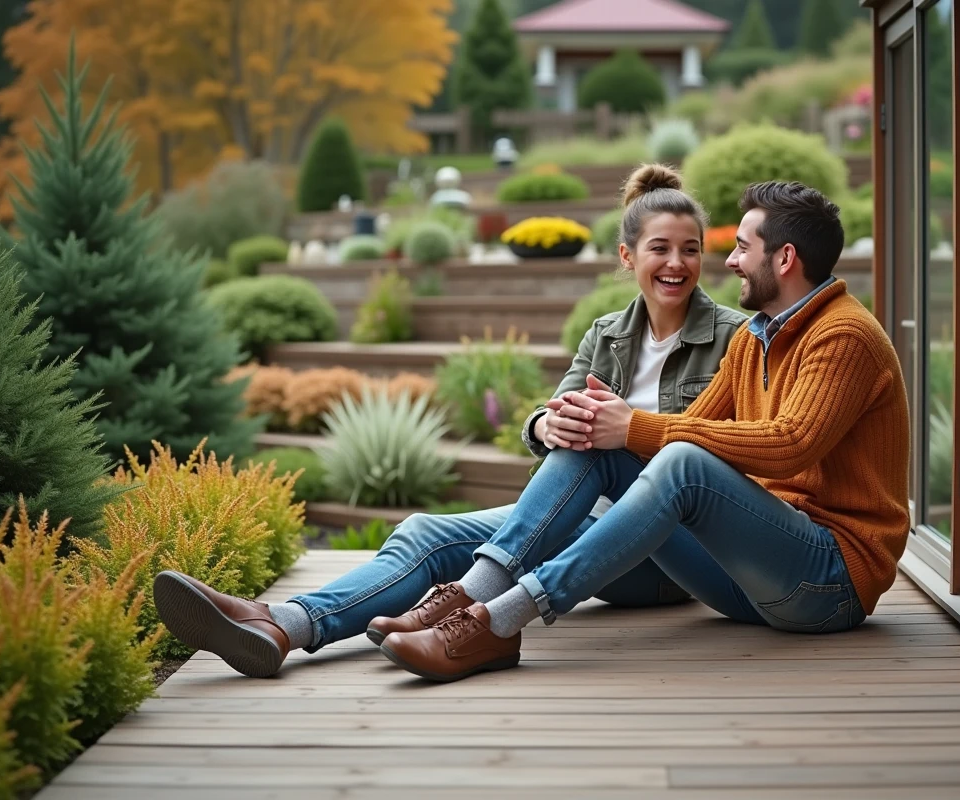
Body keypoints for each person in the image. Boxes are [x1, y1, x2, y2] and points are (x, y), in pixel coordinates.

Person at [151, 164, 750, 678]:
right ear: (628, 256)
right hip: (583, 520)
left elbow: (734, 456)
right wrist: (545, 427)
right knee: (424, 533)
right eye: (660, 248)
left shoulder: (733, 338)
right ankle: (283, 623)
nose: (677, 263)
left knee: (593, 446)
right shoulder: (607, 334)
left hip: (666, 553)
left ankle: (471, 599)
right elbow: (555, 409)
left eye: (690, 249)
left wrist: (627, 430)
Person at [374, 180, 913, 683]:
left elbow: (790, 444)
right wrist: (604, 423)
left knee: (677, 460)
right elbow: (696, 425)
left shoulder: (844, 335)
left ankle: (499, 621)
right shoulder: (756, 339)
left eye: (742, 247)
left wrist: (633, 425)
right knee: (599, 439)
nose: (730, 261)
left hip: (827, 583)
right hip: (749, 578)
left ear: (785, 258)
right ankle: (472, 594)